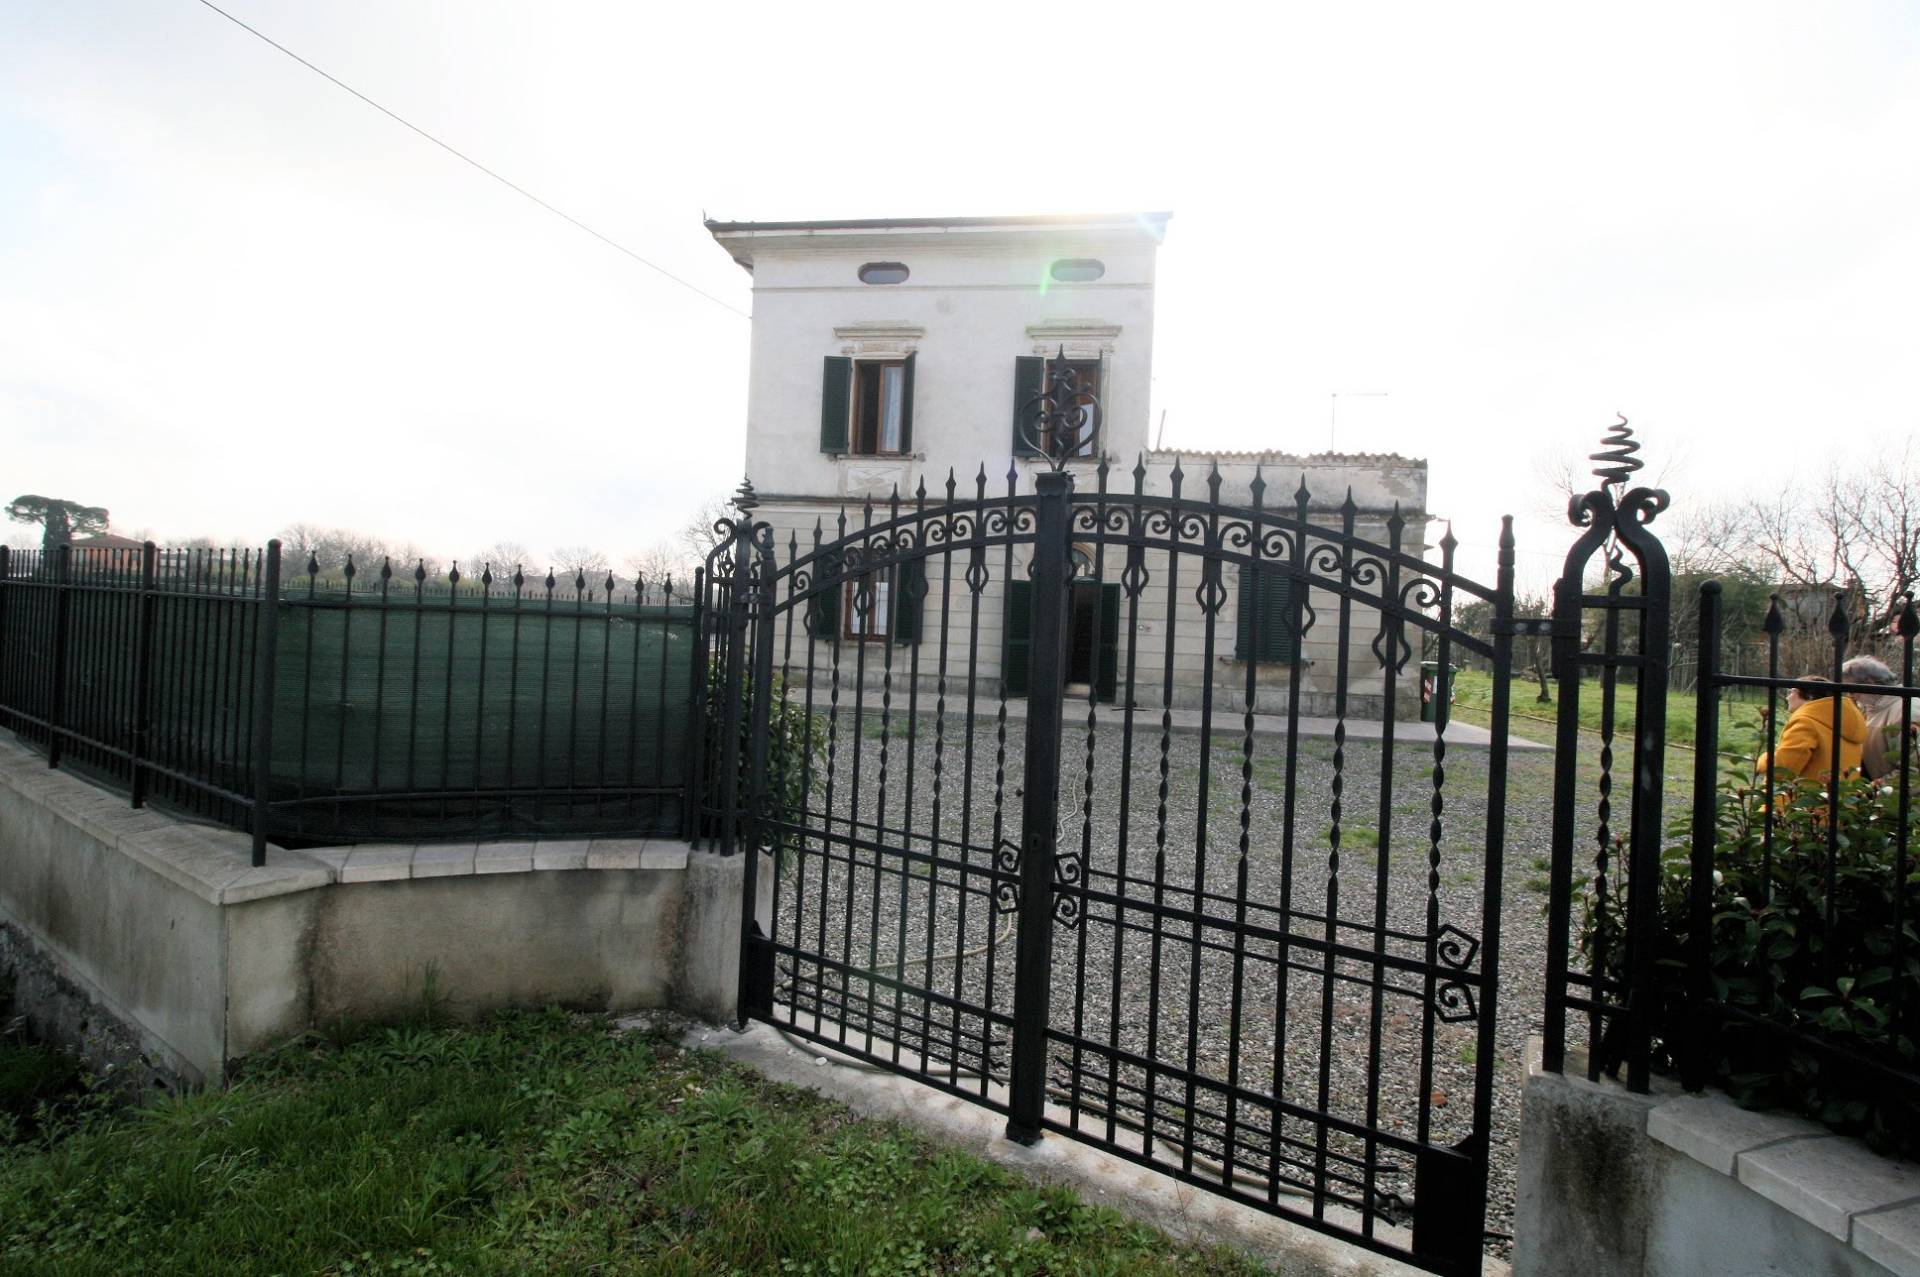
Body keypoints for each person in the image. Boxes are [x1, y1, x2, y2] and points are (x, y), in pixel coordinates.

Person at [1754, 675, 1868, 784]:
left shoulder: (1806, 722)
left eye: (1791, 691)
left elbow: (1782, 771)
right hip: (1842, 800)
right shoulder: (1846, 722)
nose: (1787, 697)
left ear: (1810, 695)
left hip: (1806, 801)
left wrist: (1763, 760)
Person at [1842, 654, 1910, 781]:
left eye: (1852, 690)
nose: (1851, 696)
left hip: (1893, 797)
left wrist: (1875, 790)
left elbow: (1913, 771)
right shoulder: (1870, 708)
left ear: (1870, 683)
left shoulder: (1906, 710)